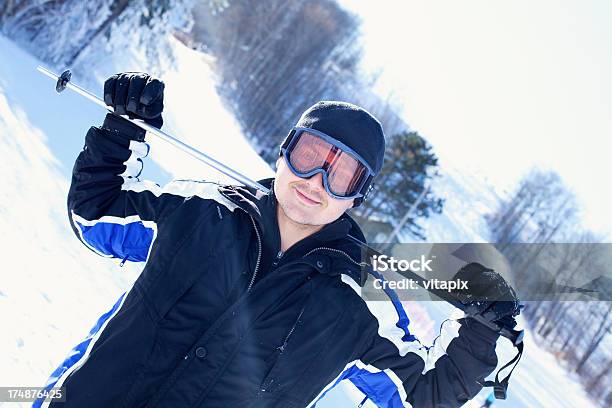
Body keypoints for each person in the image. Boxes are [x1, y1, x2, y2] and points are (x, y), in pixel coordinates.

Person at [40, 73, 520, 408]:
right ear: (285, 152)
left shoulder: (357, 307)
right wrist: (119, 131)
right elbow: (94, 214)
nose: (315, 181)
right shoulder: (201, 211)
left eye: (341, 174)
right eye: (311, 154)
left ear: (357, 196)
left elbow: (423, 396)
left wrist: (483, 331)